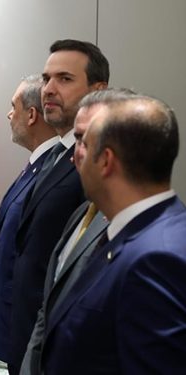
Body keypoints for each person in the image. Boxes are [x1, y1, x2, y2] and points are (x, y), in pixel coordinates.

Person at [42, 91, 186, 374]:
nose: (74, 158)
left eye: (83, 143)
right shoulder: (139, 232)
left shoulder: (155, 260)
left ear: (106, 161)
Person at [7, 39, 108, 374]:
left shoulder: (100, 162)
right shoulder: (54, 156)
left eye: (64, 79)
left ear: (98, 89)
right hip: (30, 337)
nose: (48, 89)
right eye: (46, 78)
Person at [19, 89, 130, 375]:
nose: (71, 158)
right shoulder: (82, 214)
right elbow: (49, 306)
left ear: (111, 152)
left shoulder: (155, 241)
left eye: (82, 141)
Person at [0, 74, 58, 362]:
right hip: (10, 327)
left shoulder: (54, 174)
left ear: (31, 115)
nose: (8, 114)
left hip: (27, 329)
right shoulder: (36, 167)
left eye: (13, 106)